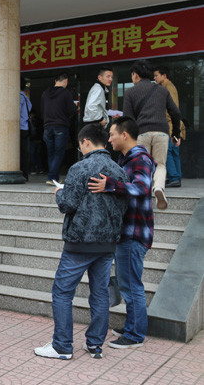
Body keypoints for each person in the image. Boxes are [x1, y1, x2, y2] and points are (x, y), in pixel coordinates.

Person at [34, 124, 128, 360]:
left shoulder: (79, 168)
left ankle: (62, 346)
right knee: (100, 293)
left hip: (80, 242)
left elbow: (68, 204)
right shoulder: (118, 170)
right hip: (107, 242)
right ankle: (95, 345)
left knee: (62, 292)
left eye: (79, 144)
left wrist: (59, 194)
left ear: (86, 142)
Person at [88, 116, 156, 350]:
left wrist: (110, 185)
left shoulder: (140, 159)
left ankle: (135, 335)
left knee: (130, 285)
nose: (109, 139)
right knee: (128, 283)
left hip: (133, 233)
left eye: (112, 134)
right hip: (126, 232)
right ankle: (132, 327)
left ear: (124, 135)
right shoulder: (127, 159)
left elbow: (142, 188)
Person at [123, 60, 181, 210]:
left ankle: (144, 195)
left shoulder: (130, 92)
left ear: (135, 75)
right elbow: (175, 113)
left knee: (143, 166)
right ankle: (159, 187)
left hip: (141, 133)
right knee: (160, 164)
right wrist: (176, 134)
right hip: (162, 132)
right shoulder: (162, 90)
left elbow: (128, 119)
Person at [41, 72, 77, 185]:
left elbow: (42, 110)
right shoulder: (66, 93)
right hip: (60, 126)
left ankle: (54, 178)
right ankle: (51, 177)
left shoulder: (45, 93)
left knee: (51, 153)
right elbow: (71, 111)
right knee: (58, 153)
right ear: (65, 81)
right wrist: (75, 106)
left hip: (47, 126)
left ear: (55, 81)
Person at [154, 66, 186, 188]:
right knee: (173, 152)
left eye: (156, 75)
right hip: (172, 126)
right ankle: (176, 177)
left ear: (164, 76)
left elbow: (172, 109)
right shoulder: (167, 87)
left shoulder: (168, 88)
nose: (154, 78)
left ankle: (174, 177)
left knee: (167, 152)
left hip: (170, 126)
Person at [20, 89, 33, 180]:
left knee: (20, 152)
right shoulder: (25, 97)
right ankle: (25, 174)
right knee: (24, 152)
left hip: (20, 127)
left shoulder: (19, 97)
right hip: (25, 127)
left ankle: (22, 174)